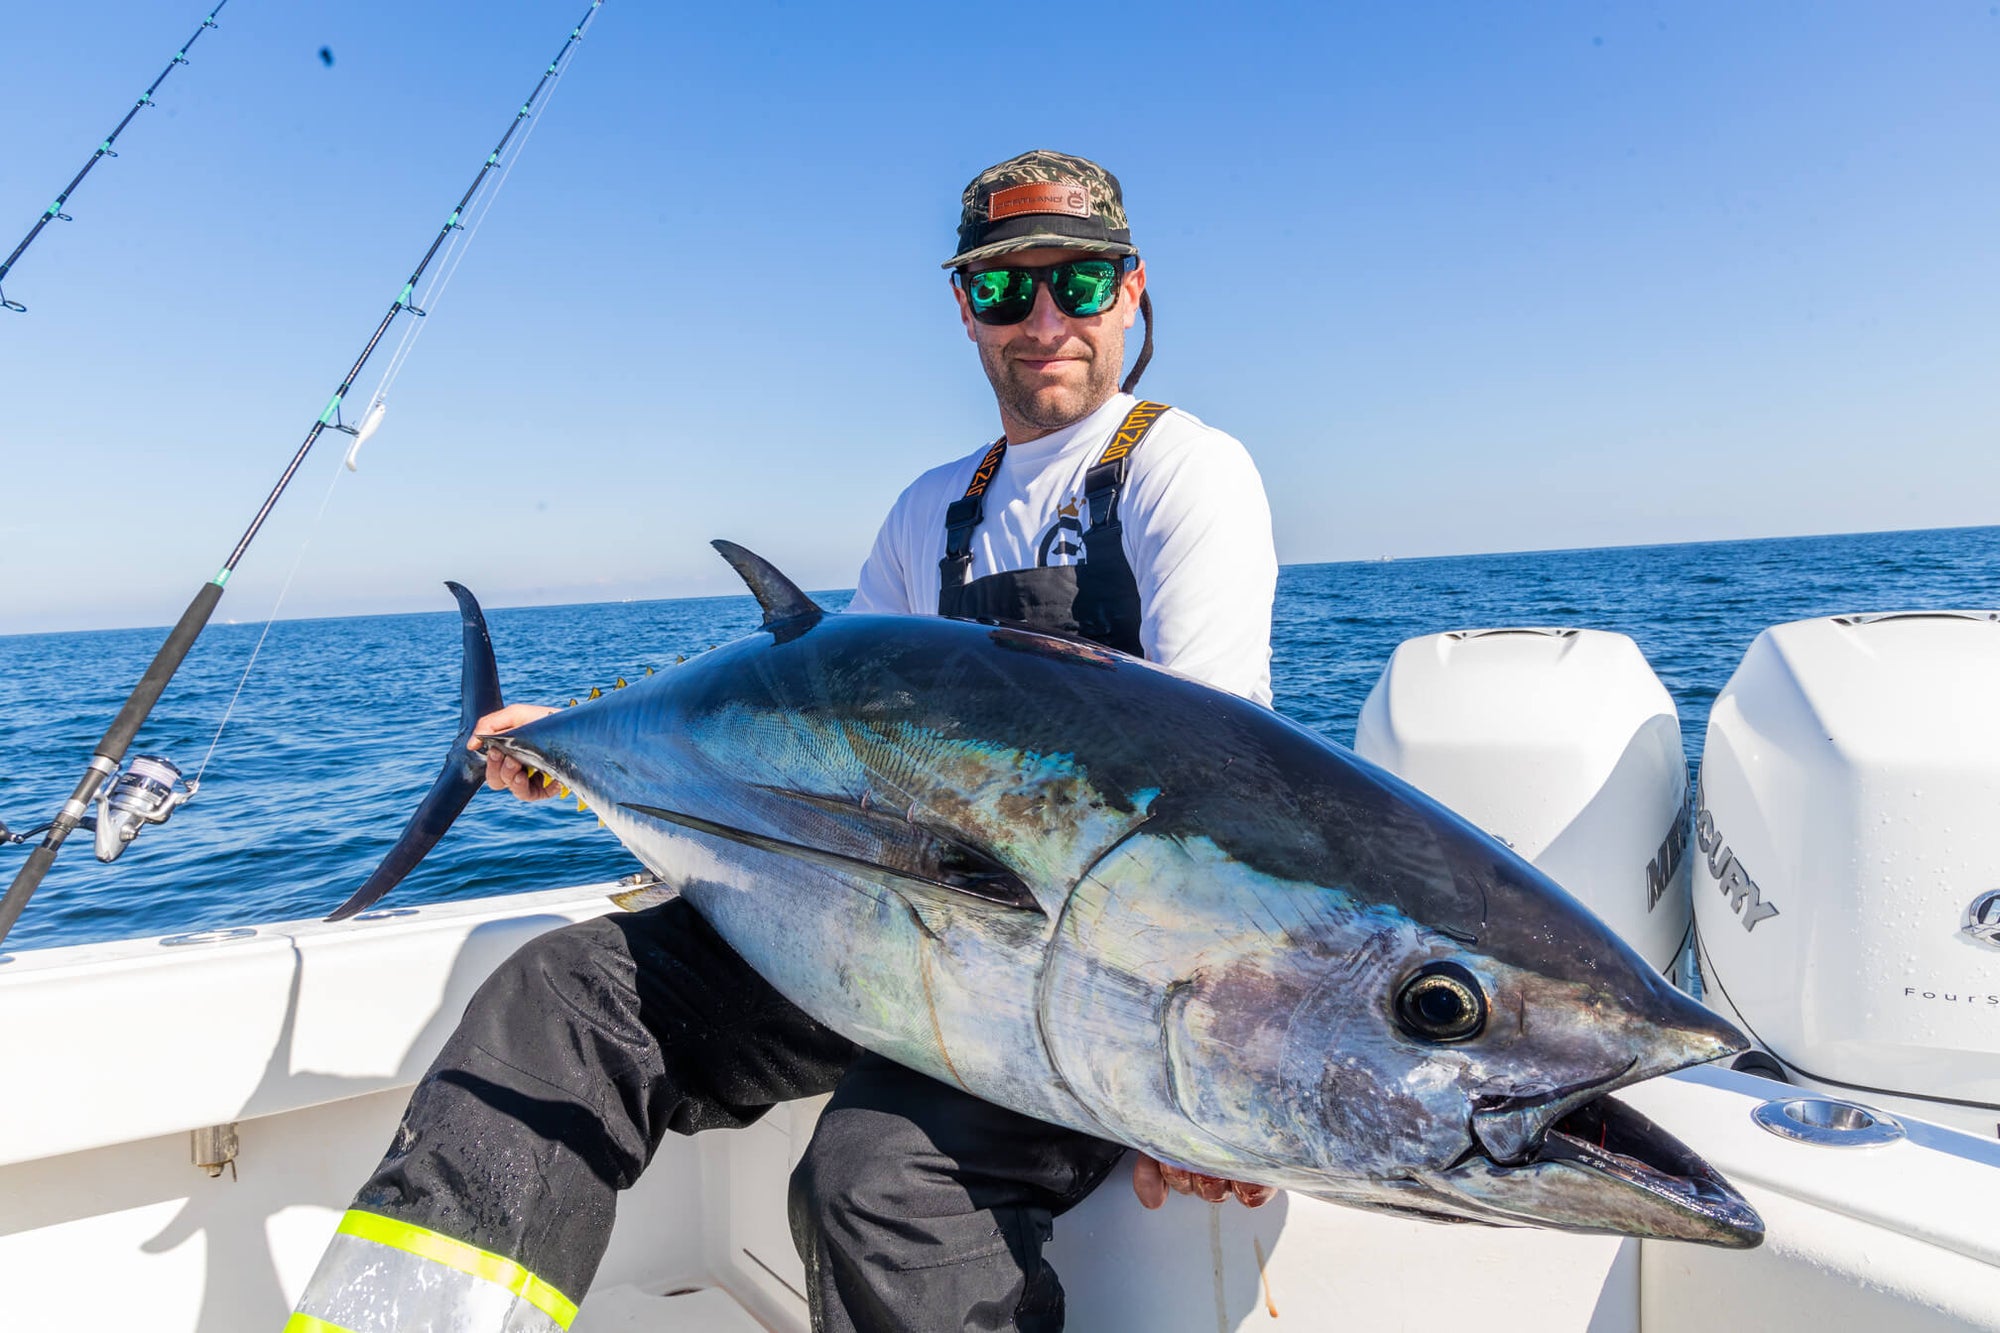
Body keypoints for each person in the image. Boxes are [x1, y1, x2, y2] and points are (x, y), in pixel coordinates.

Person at [286, 149, 1280, 1333]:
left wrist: (1211, 1092)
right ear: (964, 306)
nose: (1046, 319)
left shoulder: (1181, 472)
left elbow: (1222, 810)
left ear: (1131, 287)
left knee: (876, 1177)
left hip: (1067, 986)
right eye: (1006, 290)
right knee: (564, 989)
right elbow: (827, 742)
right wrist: (569, 746)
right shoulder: (932, 509)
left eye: (1080, 280)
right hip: (868, 928)